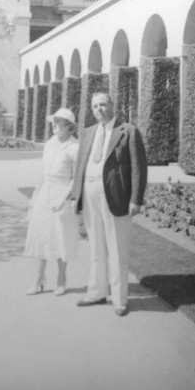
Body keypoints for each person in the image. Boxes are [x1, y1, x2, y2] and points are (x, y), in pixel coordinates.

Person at [71, 92, 147, 316]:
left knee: (117, 250)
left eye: (103, 104)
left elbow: (138, 168)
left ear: (112, 105)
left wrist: (136, 199)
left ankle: (120, 300)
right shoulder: (89, 132)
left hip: (116, 197)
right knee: (95, 248)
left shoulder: (128, 131)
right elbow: (80, 165)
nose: (99, 110)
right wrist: (77, 194)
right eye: (95, 106)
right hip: (90, 192)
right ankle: (96, 293)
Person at [24, 108, 80, 296]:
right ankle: (38, 279)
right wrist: (34, 198)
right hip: (45, 193)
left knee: (60, 236)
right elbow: (43, 173)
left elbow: (76, 177)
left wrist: (64, 198)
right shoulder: (49, 144)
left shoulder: (74, 147)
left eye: (58, 122)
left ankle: (61, 278)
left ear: (69, 126)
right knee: (41, 235)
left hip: (62, 194)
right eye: (53, 121)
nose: (54, 125)